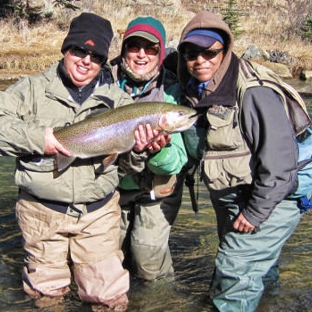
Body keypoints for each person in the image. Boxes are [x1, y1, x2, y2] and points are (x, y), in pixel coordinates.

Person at [0, 12, 163, 311]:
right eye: (79, 50)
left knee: (109, 300)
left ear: (103, 61)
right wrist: (42, 139)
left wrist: (140, 150)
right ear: (66, 49)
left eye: (96, 55)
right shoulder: (31, 90)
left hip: (98, 215)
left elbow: (128, 167)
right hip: (41, 214)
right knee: (45, 299)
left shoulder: (119, 102)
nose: (86, 60)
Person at [177, 10, 301, 311]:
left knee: (234, 270)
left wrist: (256, 212)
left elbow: (281, 167)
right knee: (256, 269)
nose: (200, 60)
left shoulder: (254, 92)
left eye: (210, 52)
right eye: (192, 53)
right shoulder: (196, 86)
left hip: (274, 195)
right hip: (236, 192)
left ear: (225, 51)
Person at [110, 16, 188, 281]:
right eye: (134, 46)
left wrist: (158, 151)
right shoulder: (102, 81)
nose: (142, 54)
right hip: (112, 186)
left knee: (148, 262)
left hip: (157, 187)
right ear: (123, 50)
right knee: (107, 260)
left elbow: (177, 160)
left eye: (151, 48)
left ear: (161, 52)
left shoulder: (173, 93)